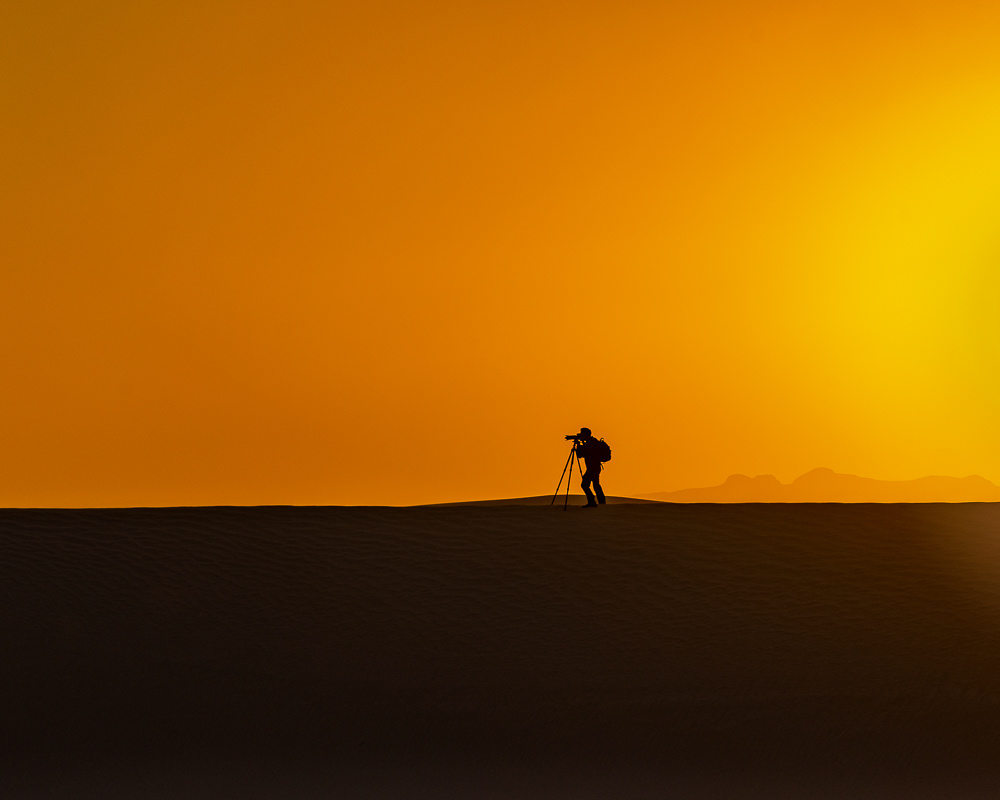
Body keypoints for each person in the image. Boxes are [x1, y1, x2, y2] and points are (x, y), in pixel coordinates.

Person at [574, 427, 606, 508]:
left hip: (593, 468)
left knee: (584, 485)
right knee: (596, 485)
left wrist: (578, 445)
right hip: (594, 467)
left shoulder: (591, 443)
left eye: (582, 434)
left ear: (585, 434)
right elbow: (581, 455)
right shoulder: (591, 442)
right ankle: (601, 502)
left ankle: (592, 501)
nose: (580, 435)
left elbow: (582, 454)